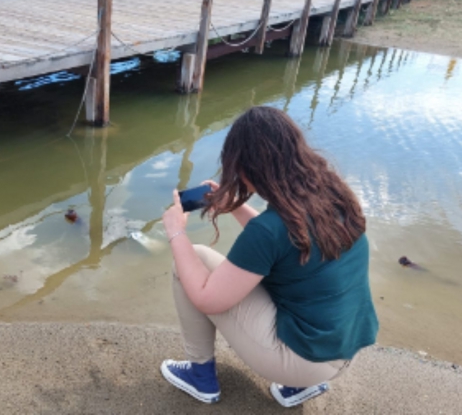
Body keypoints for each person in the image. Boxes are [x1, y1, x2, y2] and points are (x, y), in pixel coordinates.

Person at [160, 106, 378, 408]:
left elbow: (207, 299)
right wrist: (234, 206)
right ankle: (296, 387)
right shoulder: (332, 193)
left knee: (190, 261)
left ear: (248, 167)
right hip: (345, 346)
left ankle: (201, 378)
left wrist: (176, 233)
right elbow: (287, 243)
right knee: (289, 278)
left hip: (306, 360)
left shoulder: (268, 230)